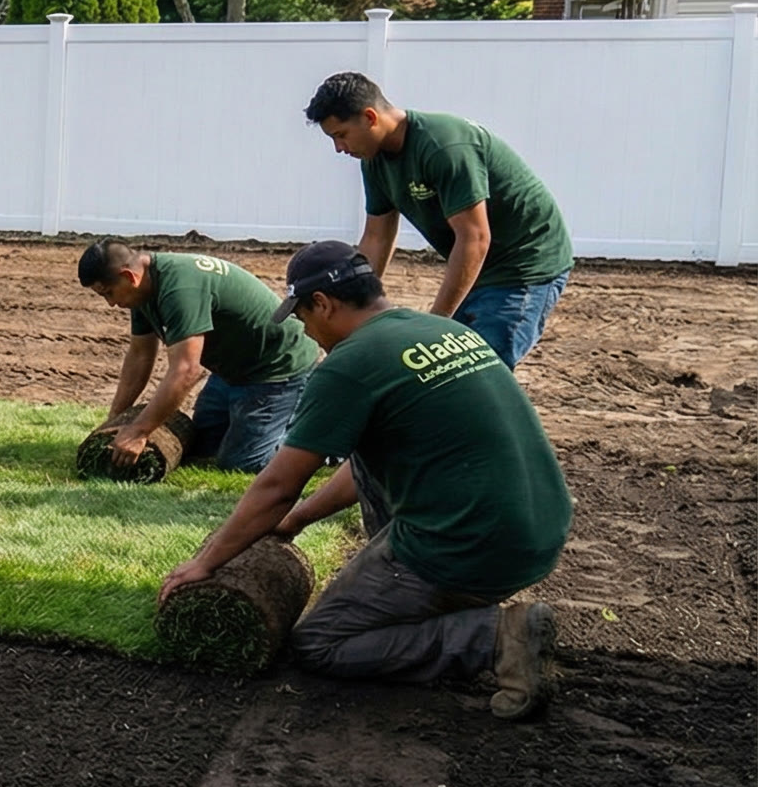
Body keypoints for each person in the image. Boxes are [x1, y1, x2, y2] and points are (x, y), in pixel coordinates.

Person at [158, 242, 570, 720]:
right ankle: (427, 596)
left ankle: (493, 638)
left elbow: (278, 485)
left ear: (324, 305)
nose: (306, 332)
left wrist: (205, 563)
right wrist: (298, 522)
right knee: (370, 448)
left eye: (303, 318)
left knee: (321, 643)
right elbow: (363, 466)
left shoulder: (350, 364)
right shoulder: (438, 328)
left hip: (468, 544)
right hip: (539, 526)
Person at [305, 72, 573, 366]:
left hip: (525, 264)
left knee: (479, 368)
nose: (339, 148)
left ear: (370, 117)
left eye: (341, 135)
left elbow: (474, 239)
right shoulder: (374, 160)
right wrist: (353, 305)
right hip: (481, 266)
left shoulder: (442, 147)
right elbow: (376, 238)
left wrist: (435, 326)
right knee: (451, 360)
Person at [77, 240, 320, 473]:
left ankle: (322, 441)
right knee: (202, 448)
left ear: (129, 277)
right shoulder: (141, 290)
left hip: (277, 368)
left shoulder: (180, 288)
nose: (110, 303)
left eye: (108, 293)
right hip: (231, 372)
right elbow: (140, 356)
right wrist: (115, 421)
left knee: (243, 462)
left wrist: (139, 432)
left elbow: (186, 370)